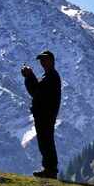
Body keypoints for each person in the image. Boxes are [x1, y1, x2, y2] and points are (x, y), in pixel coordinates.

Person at [21, 50, 62, 179]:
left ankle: (50, 170)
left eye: (45, 60)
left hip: (46, 115)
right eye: (41, 60)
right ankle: (48, 169)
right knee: (44, 141)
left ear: (51, 61)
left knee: (46, 141)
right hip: (44, 114)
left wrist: (29, 76)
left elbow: (36, 91)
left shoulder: (51, 77)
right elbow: (37, 91)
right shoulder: (49, 76)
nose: (42, 63)